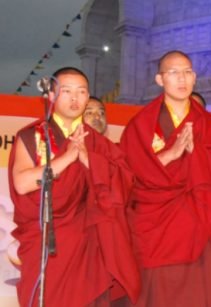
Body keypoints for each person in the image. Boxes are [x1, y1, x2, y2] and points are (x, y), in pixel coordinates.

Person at [120, 50, 211, 306]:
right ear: (160, 80)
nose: (182, 79)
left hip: (196, 227)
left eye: (187, 72)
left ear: (194, 78)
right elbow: (128, 177)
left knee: (196, 295)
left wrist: (198, 155)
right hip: (154, 232)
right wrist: (171, 154)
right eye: (173, 73)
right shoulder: (141, 125)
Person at [9, 67, 140, 306]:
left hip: (88, 245)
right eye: (66, 91)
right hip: (47, 244)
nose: (74, 98)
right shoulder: (33, 135)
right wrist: (68, 158)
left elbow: (123, 188)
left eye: (81, 92)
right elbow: (22, 183)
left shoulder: (98, 143)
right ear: (51, 96)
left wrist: (89, 160)